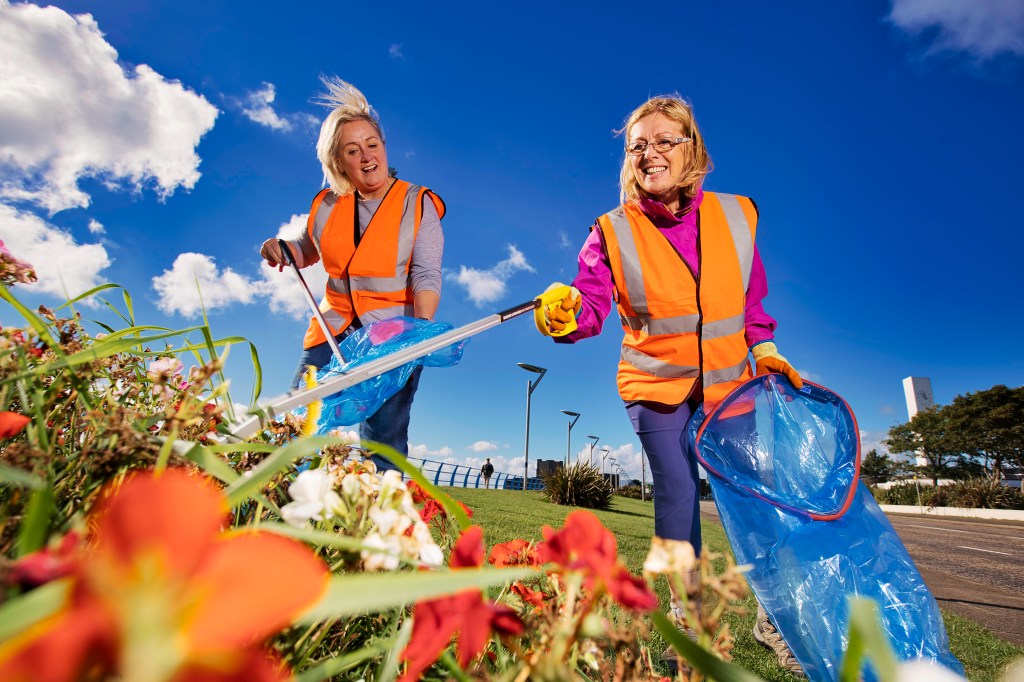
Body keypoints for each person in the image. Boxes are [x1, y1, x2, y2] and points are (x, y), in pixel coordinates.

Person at [537, 95, 803, 674]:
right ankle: (689, 626)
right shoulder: (610, 230)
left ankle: (772, 620)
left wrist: (768, 350)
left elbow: (752, 304)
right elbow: (590, 304)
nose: (649, 154)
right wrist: (565, 314)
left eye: (663, 141)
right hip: (654, 385)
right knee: (678, 493)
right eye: (637, 147)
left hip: (731, 383)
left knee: (755, 499)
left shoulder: (737, 216)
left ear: (692, 149)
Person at [260, 77, 444, 472]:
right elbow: (311, 248)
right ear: (337, 161)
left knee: (384, 442)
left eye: (372, 145)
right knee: (297, 427)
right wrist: (285, 249)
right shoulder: (327, 204)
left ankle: (375, 525)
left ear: (384, 147)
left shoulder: (417, 203)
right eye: (352, 150)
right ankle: (281, 516)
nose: (366, 157)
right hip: (330, 330)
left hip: (392, 336)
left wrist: (421, 332)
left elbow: (426, 274)